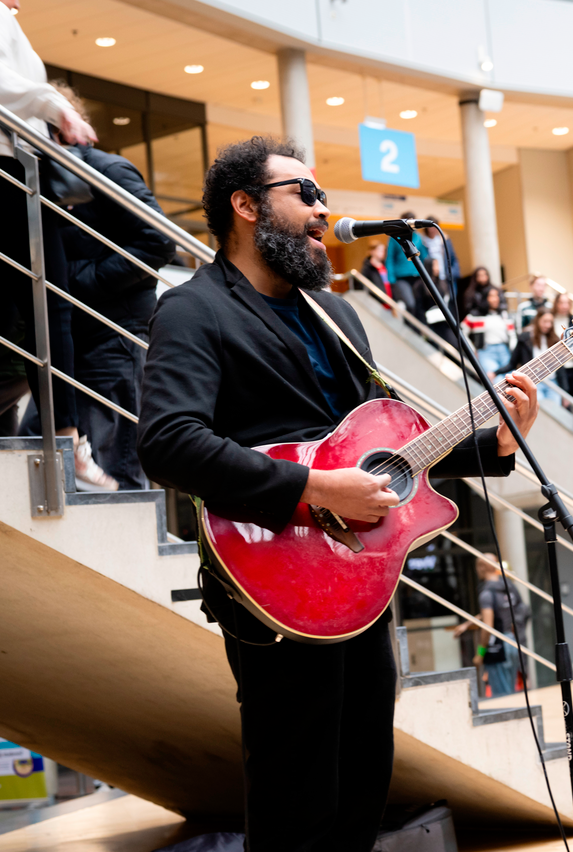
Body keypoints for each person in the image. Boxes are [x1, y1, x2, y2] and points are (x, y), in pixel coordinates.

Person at [137, 136, 538, 850]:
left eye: (323, 196)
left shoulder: (337, 315)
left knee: (363, 787)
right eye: (306, 195)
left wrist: (494, 446)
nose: (325, 210)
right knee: (297, 800)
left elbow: (381, 455)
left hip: (359, 581)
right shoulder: (194, 310)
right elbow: (169, 442)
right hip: (273, 583)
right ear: (245, 206)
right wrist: (312, 486)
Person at [0, 1, 105, 490]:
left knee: (42, 310)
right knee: (47, 309)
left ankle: (67, 439)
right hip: (10, 173)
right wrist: (55, 107)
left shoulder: (10, 19)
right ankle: (67, 440)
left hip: (24, 171)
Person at [53, 83, 175, 492]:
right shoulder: (47, 180)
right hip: (72, 336)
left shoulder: (105, 169)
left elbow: (158, 241)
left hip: (114, 335)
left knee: (115, 466)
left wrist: (77, 282)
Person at [452, 553, 530, 698]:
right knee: (510, 690)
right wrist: (468, 624)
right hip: (513, 642)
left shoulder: (486, 593)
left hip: (498, 647)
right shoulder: (508, 586)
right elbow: (496, 612)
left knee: (502, 695)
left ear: (481, 567)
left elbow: (488, 625)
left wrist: (480, 654)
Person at [498, 307, 560, 403]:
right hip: (534, 382)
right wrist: (495, 372)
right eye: (545, 321)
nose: (548, 325)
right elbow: (513, 363)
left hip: (552, 383)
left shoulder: (555, 339)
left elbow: (560, 367)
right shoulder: (525, 337)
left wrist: (565, 389)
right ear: (538, 320)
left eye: (550, 322)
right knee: (538, 408)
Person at [383, 212, 428, 321]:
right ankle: (410, 331)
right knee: (410, 304)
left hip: (417, 277)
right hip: (401, 278)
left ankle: (419, 334)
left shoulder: (419, 237)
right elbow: (390, 258)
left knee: (419, 306)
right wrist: (391, 279)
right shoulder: (394, 238)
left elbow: (425, 258)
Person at [464, 285, 514, 378]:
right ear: (485, 298)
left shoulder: (504, 315)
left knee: (512, 377)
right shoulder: (476, 316)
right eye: (491, 296)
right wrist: (472, 349)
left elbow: (512, 335)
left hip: (504, 350)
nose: (495, 299)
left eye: (497, 295)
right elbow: (462, 332)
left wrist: (513, 351)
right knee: (496, 380)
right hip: (486, 351)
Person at [551, 292, 573, 402]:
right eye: (561, 303)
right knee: (563, 401)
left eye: (567, 303)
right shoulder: (550, 320)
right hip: (557, 367)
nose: (564, 306)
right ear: (556, 304)